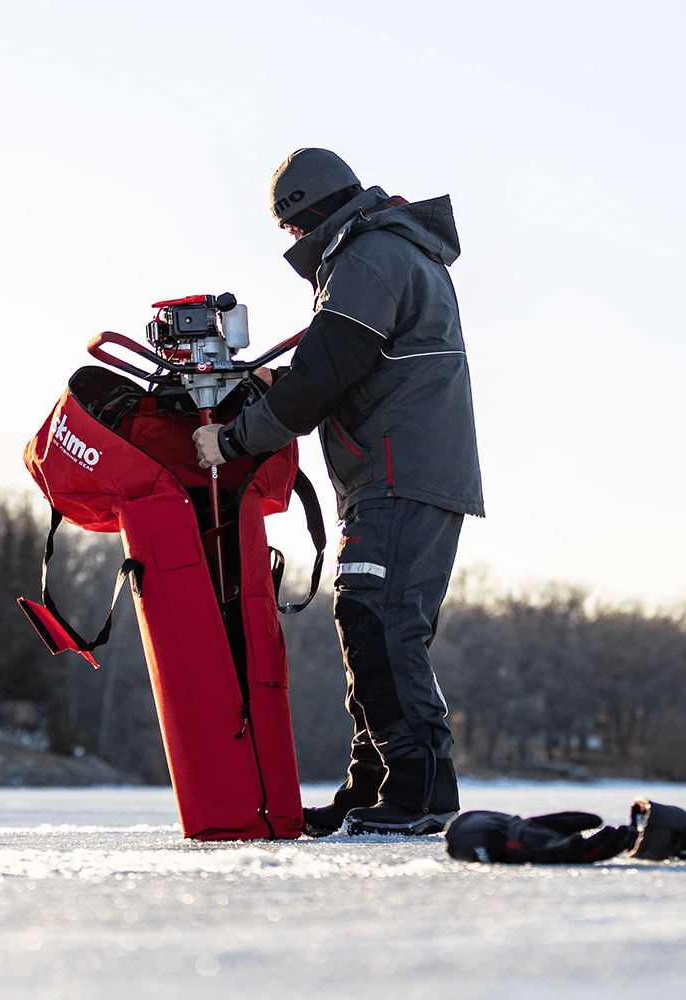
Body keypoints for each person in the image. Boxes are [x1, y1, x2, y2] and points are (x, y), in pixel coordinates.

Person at [193, 148, 484, 836]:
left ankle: (420, 791)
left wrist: (234, 441)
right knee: (368, 622)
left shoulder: (370, 255)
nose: (293, 243)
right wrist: (272, 389)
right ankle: (374, 784)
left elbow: (328, 369)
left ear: (311, 211)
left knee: (383, 623)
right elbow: (346, 363)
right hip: (389, 475)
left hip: (398, 475)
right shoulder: (379, 251)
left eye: (292, 228)